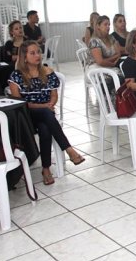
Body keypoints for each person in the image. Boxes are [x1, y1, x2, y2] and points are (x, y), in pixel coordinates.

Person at [8, 41, 85, 185]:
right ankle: (68, 149)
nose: (37, 55)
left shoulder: (48, 72)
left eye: (38, 52)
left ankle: (46, 169)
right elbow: (19, 104)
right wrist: (44, 106)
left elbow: (54, 95)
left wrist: (50, 104)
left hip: (46, 114)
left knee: (45, 127)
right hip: (26, 117)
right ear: (24, 57)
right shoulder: (16, 76)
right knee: (45, 114)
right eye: (32, 53)